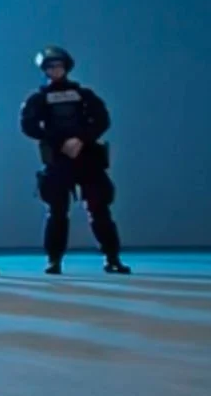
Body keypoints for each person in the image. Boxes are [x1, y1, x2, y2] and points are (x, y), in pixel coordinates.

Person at [22, 45, 131, 275]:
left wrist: (82, 139)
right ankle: (54, 260)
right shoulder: (39, 99)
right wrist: (60, 142)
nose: (55, 70)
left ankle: (112, 257)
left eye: (59, 65)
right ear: (45, 70)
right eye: (50, 67)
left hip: (88, 158)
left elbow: (102, 120)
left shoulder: (84, 95)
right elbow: (29, 126)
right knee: (57, 212)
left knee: (99, 209)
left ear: (66, 67)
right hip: (59, 160)